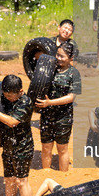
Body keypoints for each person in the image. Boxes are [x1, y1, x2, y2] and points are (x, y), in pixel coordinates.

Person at [0, 75, 34, 196]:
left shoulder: (25, 102)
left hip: (23, 148)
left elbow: (12, 122)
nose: (7, 98)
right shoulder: (4, 98)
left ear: (20, 92)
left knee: (21, 182)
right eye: (5, 95)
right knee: (9, 179)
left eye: (10, 96)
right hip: (8, 146)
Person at [36, 42, 81, 171]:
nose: (58, 58)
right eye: (57, 55)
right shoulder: (49, 68)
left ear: (71, 58)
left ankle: (63, 176)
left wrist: (50, 103)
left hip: (64, 117)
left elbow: (72, 97)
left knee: (62, 149)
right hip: (46, 115)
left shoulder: (74, 74)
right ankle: (45, 173)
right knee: (46, 147)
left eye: (62, 56)